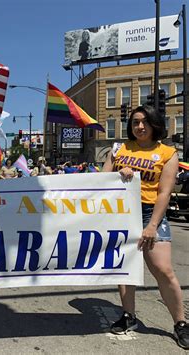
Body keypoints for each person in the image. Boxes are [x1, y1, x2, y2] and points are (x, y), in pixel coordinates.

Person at [102, 105, 188, 349]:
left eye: (145, 122)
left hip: (151, 213)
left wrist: (152, 225)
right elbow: (102, 180)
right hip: (122, 213)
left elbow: (164, 193)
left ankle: (180, 323)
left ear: (155, 124)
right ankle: (129, 315)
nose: (139, 126)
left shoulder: (167, 153)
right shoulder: (119, 149)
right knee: (125, 268)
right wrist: (119, 174)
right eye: (135, 122)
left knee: (162, 269)